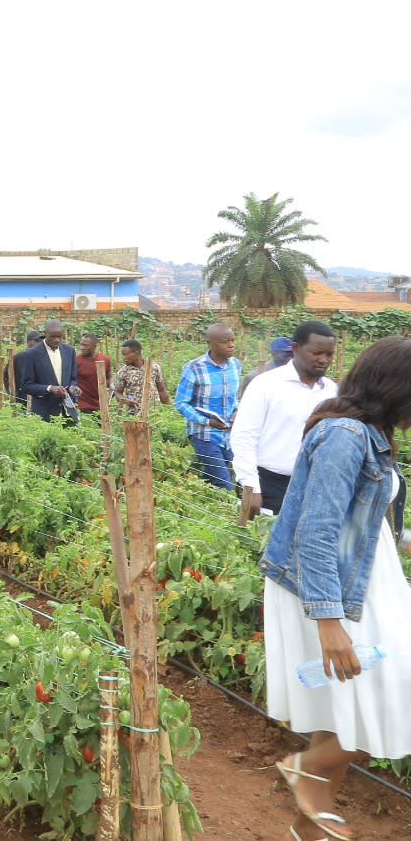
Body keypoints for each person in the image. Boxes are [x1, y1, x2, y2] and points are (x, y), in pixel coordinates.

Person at [258, 337, 411, 841]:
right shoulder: (346, 435)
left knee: (338, 708)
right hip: (335, 591)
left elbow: (360, 521)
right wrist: (329, 622)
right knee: (386, 698)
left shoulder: (371, 433)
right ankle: (305, 768)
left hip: (365, 580)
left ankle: (309, 825)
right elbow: (317, 531)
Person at [231, 322, 337, 519]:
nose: (324, 360)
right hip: (268, 484)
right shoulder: (266, 384)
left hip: (314, 483)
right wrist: (251, 486)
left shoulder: (331, 391)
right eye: (317, 353)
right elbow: (244, 436)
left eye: (329, 355)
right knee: (264, 545)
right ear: (296, 348)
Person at [174, 322, 241, 492]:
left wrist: (236, 412)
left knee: (221, 475)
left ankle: (190, 490)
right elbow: (181, 403)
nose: (231, 344)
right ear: (210, 343)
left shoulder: (235, 365)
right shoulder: (194, 368)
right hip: (204, 433)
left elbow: (234, 399)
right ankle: (231, 515)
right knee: (226, 485)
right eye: (225, 341)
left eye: (233, 340)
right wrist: (207, 421)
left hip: (228, 434)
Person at [17, 320, 79, 423]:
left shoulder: (69, 351)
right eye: (53, 337)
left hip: (67, 412)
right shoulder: (31, 354)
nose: (56, 340)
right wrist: (49, 388)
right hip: (44, 413)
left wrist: (73, 387)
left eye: (59, 336)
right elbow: (26, 386)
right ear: (44, 334)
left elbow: (73, 378)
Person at [111, 339, 170, 416]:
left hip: (154, 413)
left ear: (136, 353)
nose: (124, 358)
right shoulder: (123, 371)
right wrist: (127, 401)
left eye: (126, 354)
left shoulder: (154, 367)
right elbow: (117, 392)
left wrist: (168, 409)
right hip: (134, 414)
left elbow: (161, 390)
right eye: (123, 355)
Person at [74, 334, 112, 417]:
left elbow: (108, 377)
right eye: (81, 344)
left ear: (94, 346)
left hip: (101, 404)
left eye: (85, 345)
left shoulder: (105, 359)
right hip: (83, 404)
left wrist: (111, 386)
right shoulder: (76, 360)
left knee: (104, 428)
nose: (82, 347)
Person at [5, 330, 42, 401]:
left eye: (41, 341)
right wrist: (12, 392)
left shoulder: (43, 357)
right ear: (28, 342)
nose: (39, 343)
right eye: (36, 341)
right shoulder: (19, 357)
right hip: (22, 398)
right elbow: (6, 374)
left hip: (39, 398)